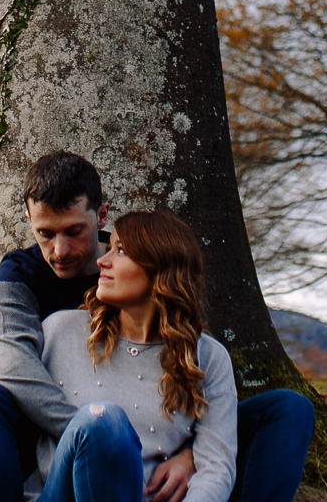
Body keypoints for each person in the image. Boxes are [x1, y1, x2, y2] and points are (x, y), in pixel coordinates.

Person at [0, 152, 313, 502]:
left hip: (151, 475)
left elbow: (214, 459)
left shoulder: (205, 353)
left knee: (289, 409)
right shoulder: (40, 301)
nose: (60, 250)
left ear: (101, 217)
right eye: (45, 234)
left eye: (75, 232)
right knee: (96, 419)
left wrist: (192, 452)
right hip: (70, 466)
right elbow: (11, 369)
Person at [27, 211, 236, 502]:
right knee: (102, 420)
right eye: (109, 247)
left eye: (121, 250)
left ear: (160, 269)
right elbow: (8, 393)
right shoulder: (60, 331)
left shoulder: (208, 358)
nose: (103, 260)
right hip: (60, 495)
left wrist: (191, 457)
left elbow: (216, 467)